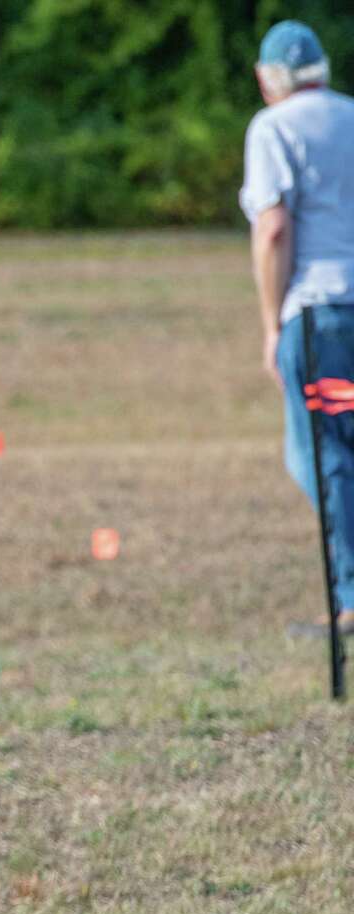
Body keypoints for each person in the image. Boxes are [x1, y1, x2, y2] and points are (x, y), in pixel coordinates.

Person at [241, 20, 354, 639]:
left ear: (270, 80)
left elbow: (274, 229)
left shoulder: (274, 127)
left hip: (320, 319)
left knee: (322, 452)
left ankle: (351, 595)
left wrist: (271, 325)